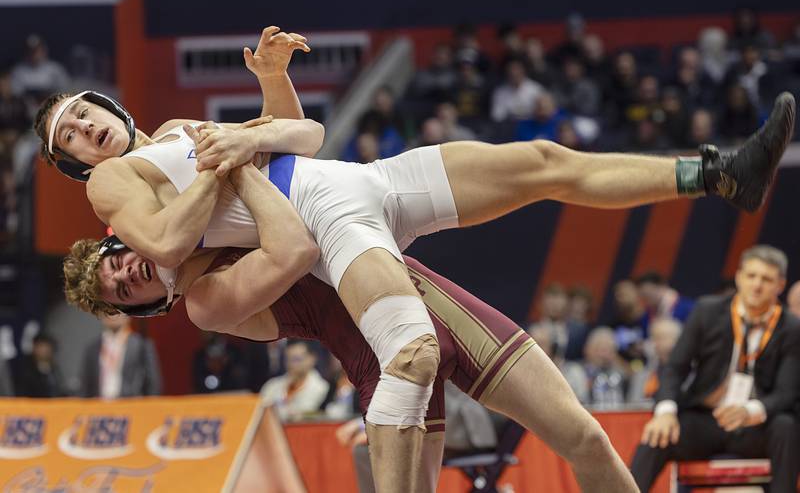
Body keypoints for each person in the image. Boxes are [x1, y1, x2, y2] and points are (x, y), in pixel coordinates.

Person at [39, 25, 795, 491]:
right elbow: (176, 241)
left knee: (543, 159)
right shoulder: (128, 199)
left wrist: (271, 89)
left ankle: (720, 173)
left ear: (110, 105)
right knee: (408, 353)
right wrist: (230, 156)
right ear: (74, 166)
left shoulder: (174, 127)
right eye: (67, 136)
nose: (84, 128)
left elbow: (302, 139)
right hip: (329, 219)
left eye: (83, 112)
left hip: (363, 184)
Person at [63, 168, 636, 492]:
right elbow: (295, 246)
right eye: (122, 291)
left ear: (128, 239)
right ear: (147, 309)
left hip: (433, 303)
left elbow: (284, 150)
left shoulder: (212, 222)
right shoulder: (207, 302)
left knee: (586, 440)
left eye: (116, 261)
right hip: (387, 368)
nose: (126, 274)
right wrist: (228, 160)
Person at [630, 246, 800, 493]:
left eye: (766, 279)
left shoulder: (791, 328)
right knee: (658, 433)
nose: (757, 285)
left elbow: (788, 392)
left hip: (755, 425)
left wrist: (750, 410)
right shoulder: (707, 311)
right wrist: (665, 410)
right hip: (707, 420)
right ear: (739, 277)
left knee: (786, 426)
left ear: (780, 285)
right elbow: (675, 367)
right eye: (751, 276)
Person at [79, 313, 161, 398]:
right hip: (99, 406)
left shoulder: (141, 346)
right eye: (108, 311)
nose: (113, 315)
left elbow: (153, 384)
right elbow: (85, 385)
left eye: (118, 310)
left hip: (131, 406)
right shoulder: (92, 348)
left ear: (128, 316)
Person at [261, 340, 330, 421]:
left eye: (296, 359)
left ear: (312, 359)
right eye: (288, 359)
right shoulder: (272, 386)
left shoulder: (323, 388)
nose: (291, 364)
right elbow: (261, 412)